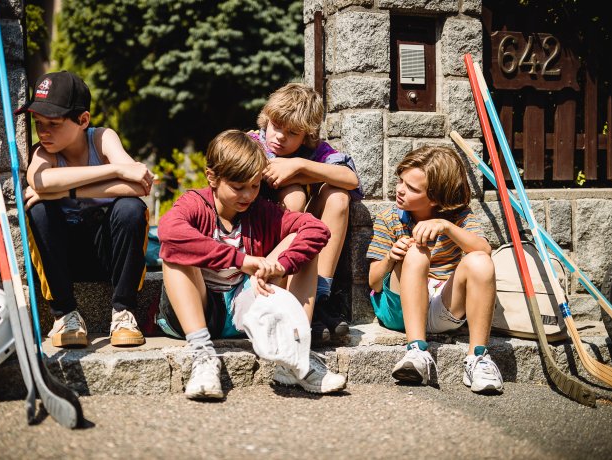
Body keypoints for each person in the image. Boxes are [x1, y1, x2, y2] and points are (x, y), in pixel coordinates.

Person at [156, 129, 347, 400]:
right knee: (175, 252)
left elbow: (316, 229)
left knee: (301, 246)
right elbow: (169, 232)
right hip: (196, 310)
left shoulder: (260, 211)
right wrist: (242, 260)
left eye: (255, 186)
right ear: (212, 176)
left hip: (245, 308)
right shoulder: (194, 204)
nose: (248, 195)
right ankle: (203, 357)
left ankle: (295, 355)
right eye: (238, 187)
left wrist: (281, 265)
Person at [18, 70, 152, 348]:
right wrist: (114, 174)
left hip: (108, 254)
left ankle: (123, 312)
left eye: (53, 123)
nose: (43, 131)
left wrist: (69, 191)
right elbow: (39, 180)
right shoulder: (44, 152)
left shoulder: (102, 139)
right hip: (63, 260)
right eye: (38, 122)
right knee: (39, 209)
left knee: (130, 208)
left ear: (83, 120)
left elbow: (139, 185)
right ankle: (64, 314)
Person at [366, 146, 504, 394]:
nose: (399, 189)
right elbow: (374, 283)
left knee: (480, 260)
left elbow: (483, 249)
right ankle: (417, 351)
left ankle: (478, 358)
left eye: (412, 188)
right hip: (400, 310)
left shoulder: (458, 218)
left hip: (444, 307)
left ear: (435, 198)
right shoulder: (389, 218)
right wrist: (390, 258)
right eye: (401, 180)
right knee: (417, 253)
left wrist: (445, 226)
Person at [249, 82, 364, 344]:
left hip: (305, 241)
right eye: (277, 126)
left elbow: (351, 179)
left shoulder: (314, 152)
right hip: (263, 248)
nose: (279, 137)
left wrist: (300, 165)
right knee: (295, 196)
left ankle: (320, 295)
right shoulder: (252, 142)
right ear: (267, 119)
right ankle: (291, 292)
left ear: (307, 135)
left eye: (292, 133)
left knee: (338, 195)